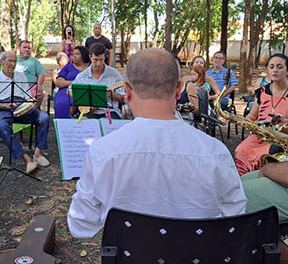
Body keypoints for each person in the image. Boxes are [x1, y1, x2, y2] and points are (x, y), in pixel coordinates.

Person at [67, 49, 246, 238]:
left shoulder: (102, 152)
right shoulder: (216, 151)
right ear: (178, 90)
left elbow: (80, 226)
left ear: (127, 91)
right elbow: (235, 218)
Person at [0, 51, 50, 174]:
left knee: (44, 117)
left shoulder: (21, 76)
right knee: (2, 126)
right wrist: (6, 105)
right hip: (4, 108)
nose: (13, 64)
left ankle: (38, 153)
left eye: (14, 61)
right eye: (9, 61)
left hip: (21, 106)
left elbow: (27, 96)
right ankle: (26, 159)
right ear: (2, 62)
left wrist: (30, 104)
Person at [235, 53, 288, 176]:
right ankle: (244, 183)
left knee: (268, 153)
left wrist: (283, 124)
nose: (275, 70)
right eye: (271, 67)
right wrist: (249, 123)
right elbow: (252, 116)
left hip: (282, 139)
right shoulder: (262, 91)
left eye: (279, 67)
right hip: (261, 136)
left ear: (287, 71)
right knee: (240, 150)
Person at [70, 43, 124, 119]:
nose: (98, 64)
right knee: (85, 123)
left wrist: (110, 94)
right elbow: (69, 91)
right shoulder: (82, 76)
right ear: (90, 57)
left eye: (101, 60)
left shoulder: (114, 74)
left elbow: (122, 98)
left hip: (110, 112)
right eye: (95, 60)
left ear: (105, 57)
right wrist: (86, 100)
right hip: (89, 111)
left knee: (110, 124)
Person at [54, 46, 90, 118]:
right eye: (73, 54)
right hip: (66, 91)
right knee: (62, 103)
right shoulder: (68, 67)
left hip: (85, 91)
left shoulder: (91, 68)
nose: (74, 56)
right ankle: (63, 125)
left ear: (83, 55)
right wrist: (74, 82)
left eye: (77, 54)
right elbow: (59, 82)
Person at [15, 40, 45, 108]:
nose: (27, 49)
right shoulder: (14, 59)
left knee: (39, 93)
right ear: (19, 48)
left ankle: (33, 110)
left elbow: (41, 74)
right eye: (25, 47)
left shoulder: (35, 61)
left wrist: (39, 84)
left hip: (31, 86)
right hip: (17, 85)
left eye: (29, 48)